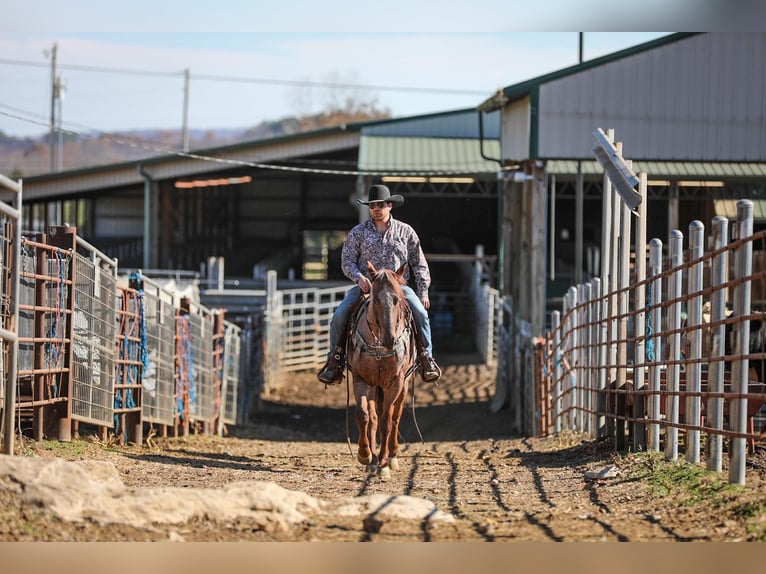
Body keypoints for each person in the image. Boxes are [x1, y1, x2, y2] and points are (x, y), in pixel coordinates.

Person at [317, 184, 442, 385]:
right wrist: (359, 278)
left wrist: (423, 291)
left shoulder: (406, 231)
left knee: (421, 313)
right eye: (372, 205)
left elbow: (419, 262)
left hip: (397, 287)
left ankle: (426, 358)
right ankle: (335, 360)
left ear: (389, 205)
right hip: (367, 286)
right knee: (339, 315)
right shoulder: (358, 232)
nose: (376, 208)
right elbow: (347, 260)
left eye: (380, 205)